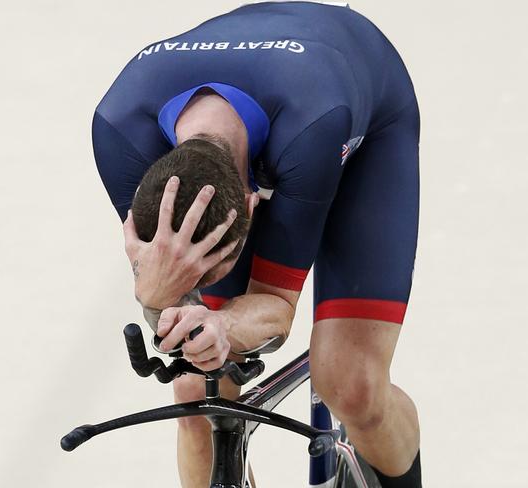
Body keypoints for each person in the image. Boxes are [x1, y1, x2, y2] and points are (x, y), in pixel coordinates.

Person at [92, 2, 421, 487]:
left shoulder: (312, 127)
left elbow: (275, 308)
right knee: (195, 394)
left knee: (351, 384)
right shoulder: (119, 133)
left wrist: (223, 324)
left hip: (349, 106)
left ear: (252, 206)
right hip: (280, 90)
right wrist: (161, 302)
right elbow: (160, 285)